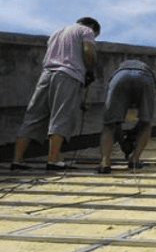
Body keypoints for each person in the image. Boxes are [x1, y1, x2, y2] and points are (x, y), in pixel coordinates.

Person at [11, 17, 101, 171]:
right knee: (61, 115)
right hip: (68, 74)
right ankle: (53, 159)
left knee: (33, 116)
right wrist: (90, 70)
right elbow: (88, 50)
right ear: (93, 26)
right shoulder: (87, 30)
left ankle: (17, 159)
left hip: (46, 74)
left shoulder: (57, 32)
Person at [97, 59, 156, 174]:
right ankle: (135, 159)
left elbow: (116, 123)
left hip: (119, 78)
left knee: (109, 124)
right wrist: (125, 142)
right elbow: (144, 119)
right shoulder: (148, 71)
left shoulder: (118, 69)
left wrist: (123, 141)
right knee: (147, 123)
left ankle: (105, 161)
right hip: (145, 78)